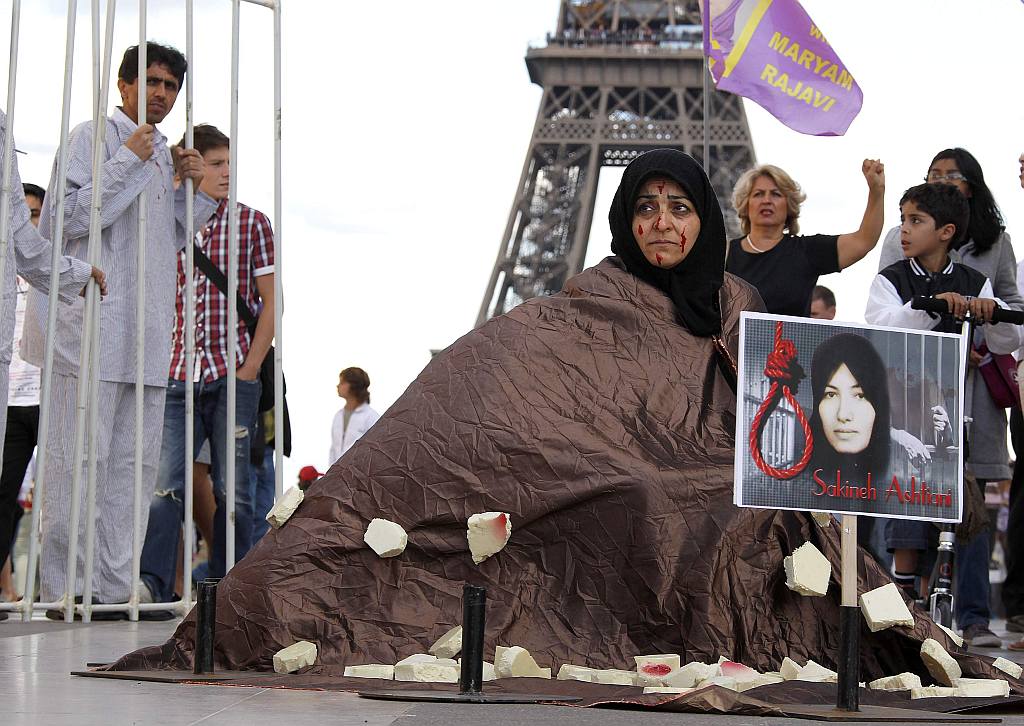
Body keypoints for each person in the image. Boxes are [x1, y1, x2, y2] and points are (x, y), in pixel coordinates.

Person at [107, 150, 990, 684]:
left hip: (715, 463)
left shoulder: (736, 300)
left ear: (703, 219)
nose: (662, 224)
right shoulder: (594, 292)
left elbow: (757, 410)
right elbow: (524, 373)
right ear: (624, 221)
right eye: (645, 208)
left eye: (680, 208)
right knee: (635, 489)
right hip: (616, 463)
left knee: (720, 503)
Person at [23, 42, 213, 614]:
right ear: (124, 85)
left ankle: (111, 588)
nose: (161, 94)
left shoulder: (162, 156)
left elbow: (166, 238)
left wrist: (194, 192)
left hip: (147, 336)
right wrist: (128, 160)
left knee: (132, 472)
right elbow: (67, 220)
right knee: (76, 462)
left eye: (170, 86)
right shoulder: (91, 139)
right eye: (151, 81)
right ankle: (66, 587)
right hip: (91, 331)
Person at [866, 182, 1018, 648]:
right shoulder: (892, 278)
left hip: (956, 418)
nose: (904, 229)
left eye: (916, 221)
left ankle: (972, 616)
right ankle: (906, 601)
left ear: (946, 232)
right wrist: (927, 308)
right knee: (907, 506)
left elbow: (1007, 340)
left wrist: (991, 312)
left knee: (968, 513)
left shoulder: (974, 282)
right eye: (903, 219)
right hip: (905, 416)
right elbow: (881, 323)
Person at [139, 123, 274, 604]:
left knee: (233, 490)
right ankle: (153, 584)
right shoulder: (167, 224)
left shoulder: (252, 223)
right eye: (215, 164)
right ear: (190, 166)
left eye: (229, 163)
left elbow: (271, 304)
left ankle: (227, 588)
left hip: (231, 371)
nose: (225, 172)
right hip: (177, 372)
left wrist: (249, 368)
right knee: (164, 486)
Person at [0, 181, 97, 613]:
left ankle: (60, 590)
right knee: (4, 497)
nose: (27, 221)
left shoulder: (61, 271)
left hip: (54, 395)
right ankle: (7, 590)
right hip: (10, 403)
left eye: (35, 214)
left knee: (61, 496)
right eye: (21, 213)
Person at [726, 160, 885, 316]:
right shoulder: (723, 254)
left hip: (789, 335)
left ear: (789, 205)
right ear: (745, 204)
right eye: (758, 194)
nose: (766, 200)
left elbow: (863, 241)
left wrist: (876, 191)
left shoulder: (807, 251)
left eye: (776, 194)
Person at [807, 334, 890, 485]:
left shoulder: (904, 482)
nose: (843, 414)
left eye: (860, 395)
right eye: (830, 394)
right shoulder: (794, 484)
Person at [328, 367, 379, 466]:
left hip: (359, 473)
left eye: (342, 382)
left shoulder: (371, 417)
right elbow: (334, 449)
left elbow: (374, 453)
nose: (338, 385)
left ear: (354, 385)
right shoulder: (338, 416)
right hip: (336, 473)